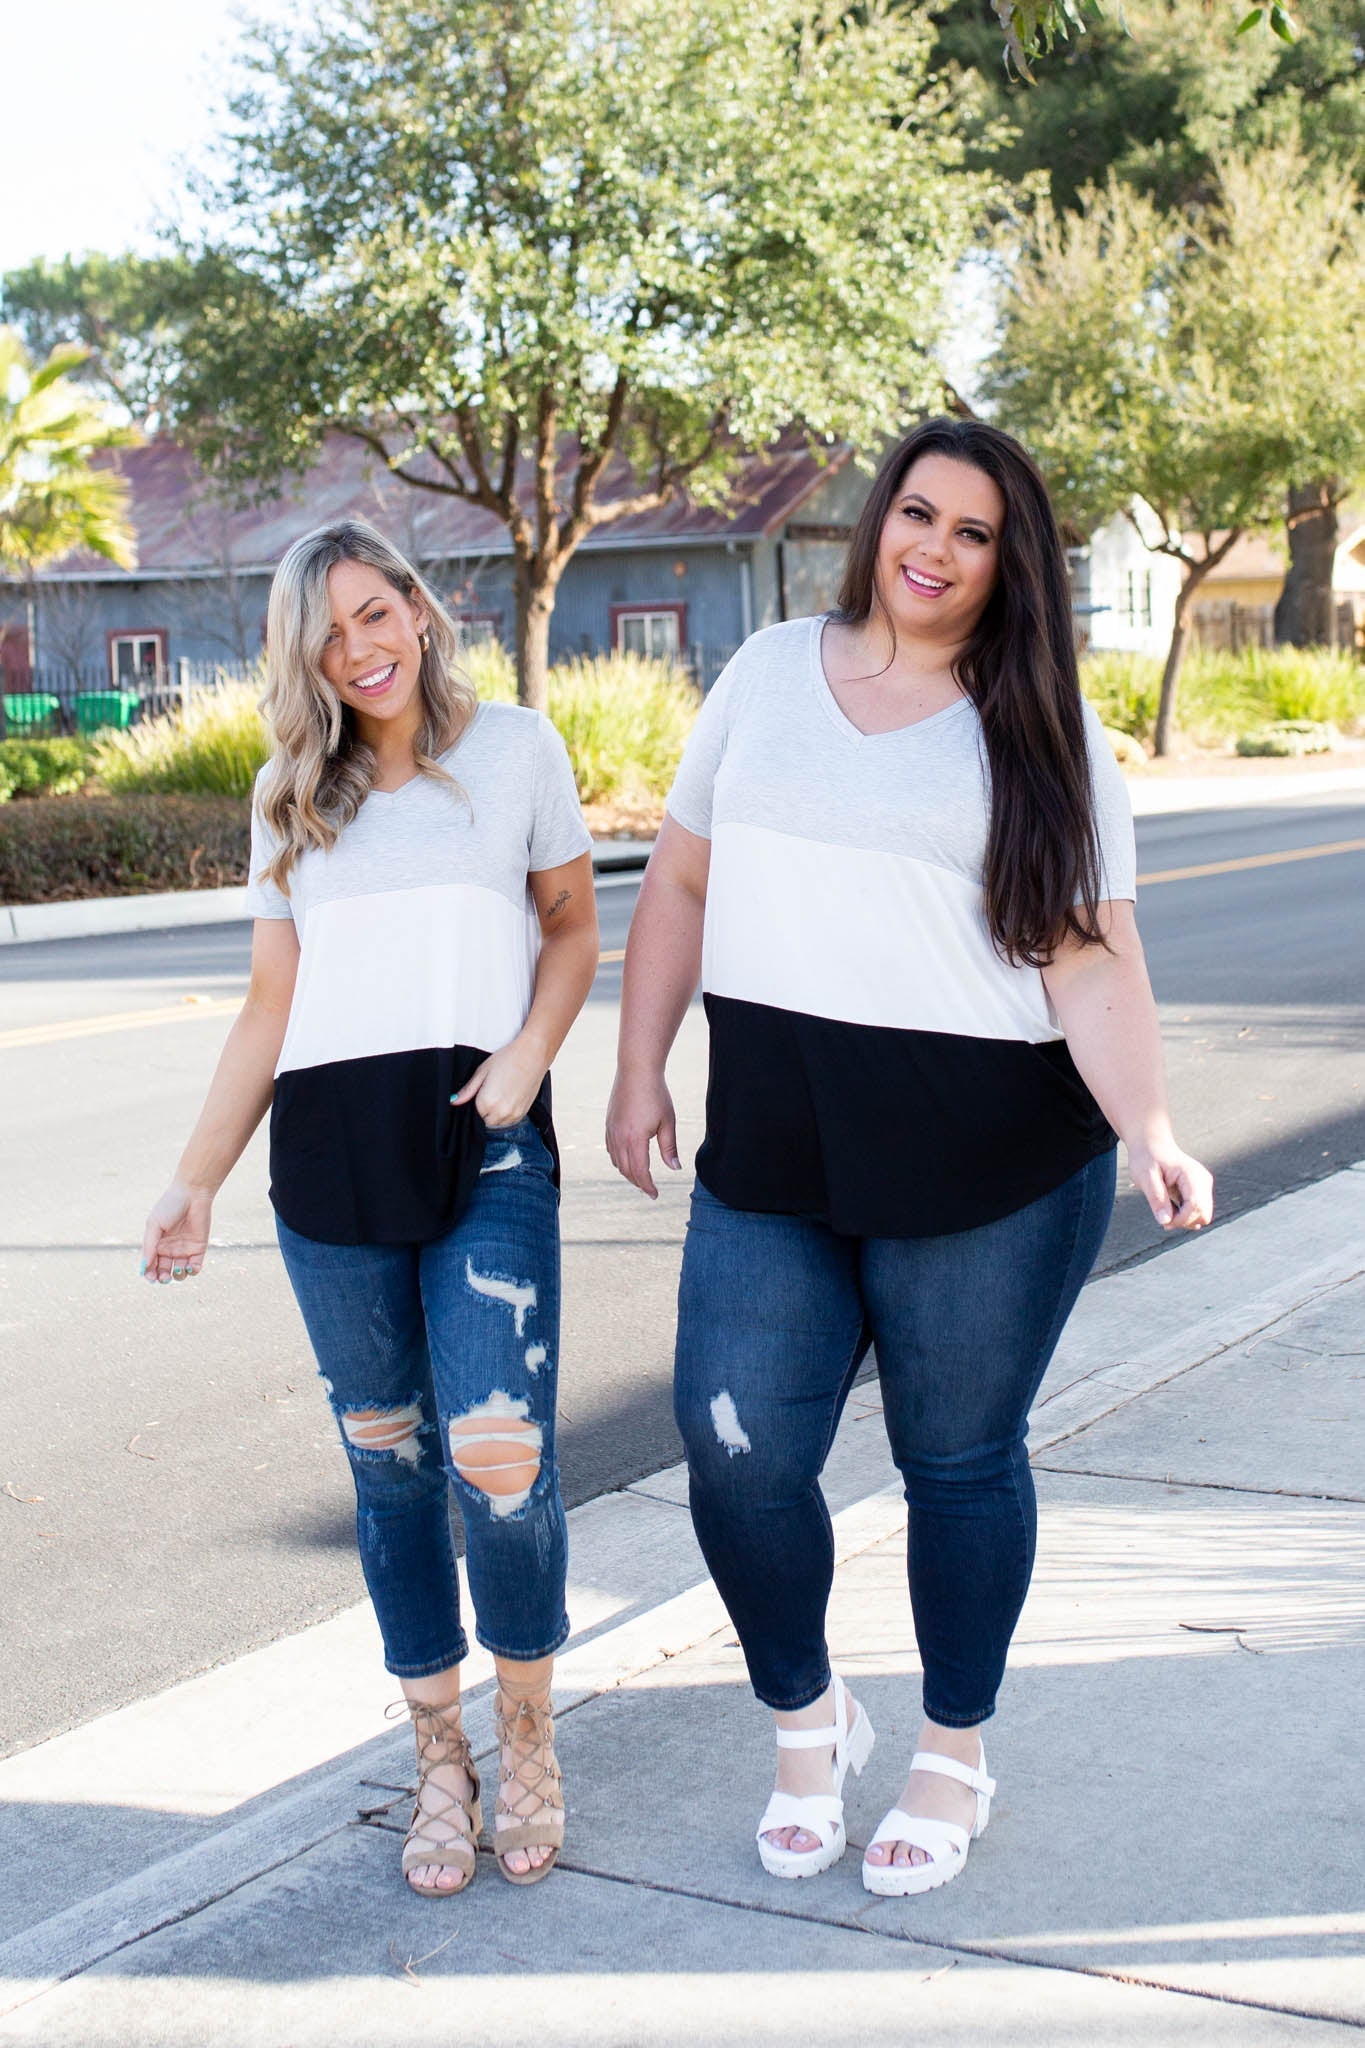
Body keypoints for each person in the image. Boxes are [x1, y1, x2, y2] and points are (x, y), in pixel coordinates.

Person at [606, 418, 1213, 1897]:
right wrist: (636, 1066)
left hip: (988, 1157)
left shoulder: (1041, 728)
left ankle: (952, 1749)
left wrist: (1148, 1124)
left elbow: (1087, 960)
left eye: (974, 535)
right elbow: (681, 878)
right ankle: (808, 1720)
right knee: (737, 1453)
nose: (933, 552)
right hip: (777, 1143)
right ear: (878, 519)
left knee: (953, 1464)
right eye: (918, 516)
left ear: (1011, 566)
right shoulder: (763, 676)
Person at [141, 519, 597, 1897]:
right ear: (306, 659)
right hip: (330, 1166)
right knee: (389, 1465)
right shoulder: (291, 795)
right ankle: (439, 1756)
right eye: (328, 635)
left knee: (497, 1453)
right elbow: (271, 1008)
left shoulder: (514, 749)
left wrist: (525, 1057)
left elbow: (571, 924)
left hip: (486, 1134)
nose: (362, 648)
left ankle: (528, 1736)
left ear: (414, 604)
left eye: (374, 612)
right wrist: (194, 1179)